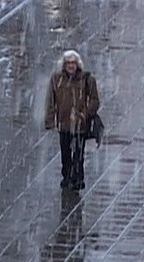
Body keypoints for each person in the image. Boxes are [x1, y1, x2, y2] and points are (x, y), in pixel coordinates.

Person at [45, 50, 100, 191]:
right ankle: (67, 177)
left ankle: (77, 178)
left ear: (77, 64)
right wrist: (50, 121)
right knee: (65, 153)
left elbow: (94, 100)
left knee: (78, 154)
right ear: (64, 65)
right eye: (68, 63)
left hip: (80, 125)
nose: (71, 66)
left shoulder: (87, 79)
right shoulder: (56, 79)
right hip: (64, 124)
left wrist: (85, 114)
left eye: (73, 63)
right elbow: (50, 101)